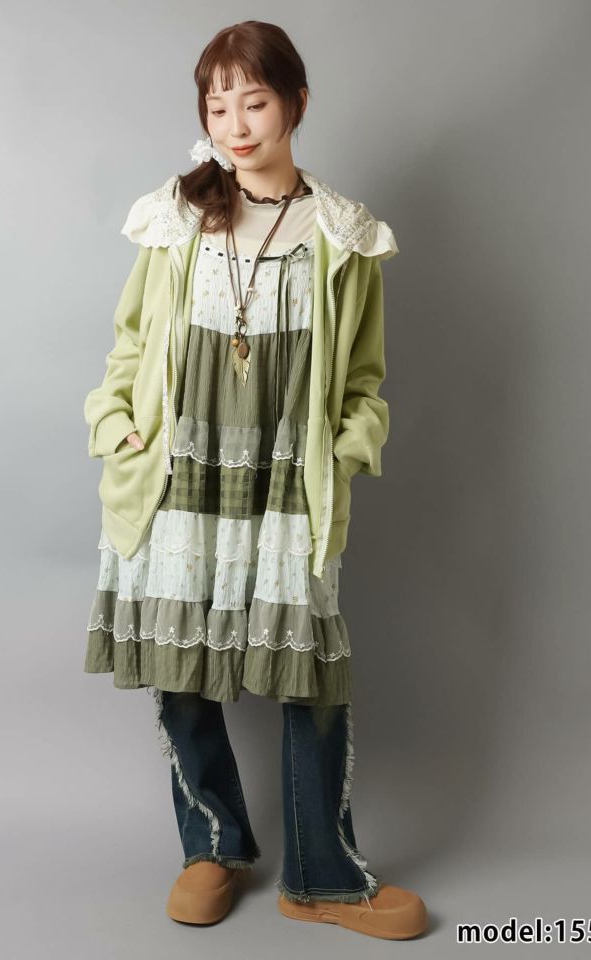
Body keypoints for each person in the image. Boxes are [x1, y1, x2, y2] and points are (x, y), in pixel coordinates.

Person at [82, 19, 428, 941]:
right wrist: (115, 427)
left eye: (255, 101)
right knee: (180, 662)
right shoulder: (176, 216)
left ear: (297, 103)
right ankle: (212, 845)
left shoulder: (342, 235)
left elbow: (363, 380)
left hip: (285, 479)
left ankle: (322, 875)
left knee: (307, 670)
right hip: (177, 465)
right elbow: (131, 343)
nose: (235, 124)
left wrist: (343, 452)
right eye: (218, 105)